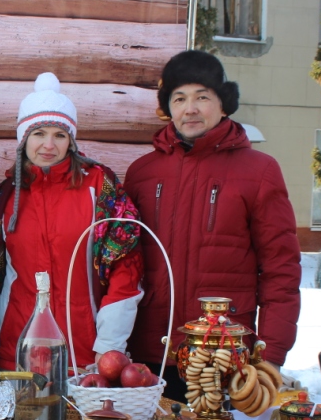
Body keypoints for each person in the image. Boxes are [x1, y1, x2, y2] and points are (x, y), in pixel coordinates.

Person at [124, 50, 301, 401]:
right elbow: (125, 265)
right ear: (169, 107)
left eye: (202, 97)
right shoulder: (142, 173)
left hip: (227, 354)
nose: (190, 108)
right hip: (151, 355)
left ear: (223, 104)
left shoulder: (259, 171)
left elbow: (281, 268)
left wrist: (271, 354)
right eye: (179, 98)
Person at [0, 73, 144, 371]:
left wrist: (110, 345)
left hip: (84, 349)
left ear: (71, 140)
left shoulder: (100, 186)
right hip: (16, 346)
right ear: (23, 139)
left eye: (59, 135)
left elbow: (126, 266)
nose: (49, 145)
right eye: (38, 134)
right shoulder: (7, 195)